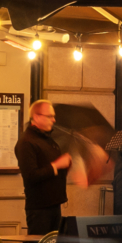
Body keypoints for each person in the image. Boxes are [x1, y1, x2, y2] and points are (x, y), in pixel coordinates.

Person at [16, 100, 72, 235]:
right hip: (39, 209)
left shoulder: (47, 139)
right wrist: (56, 165)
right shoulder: (26, 142)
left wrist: (67, 165)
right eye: (50, 116)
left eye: (53, 116)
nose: (53, 120)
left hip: (54, 204)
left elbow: (54, 170)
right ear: (36, 117)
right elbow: (31, 175)